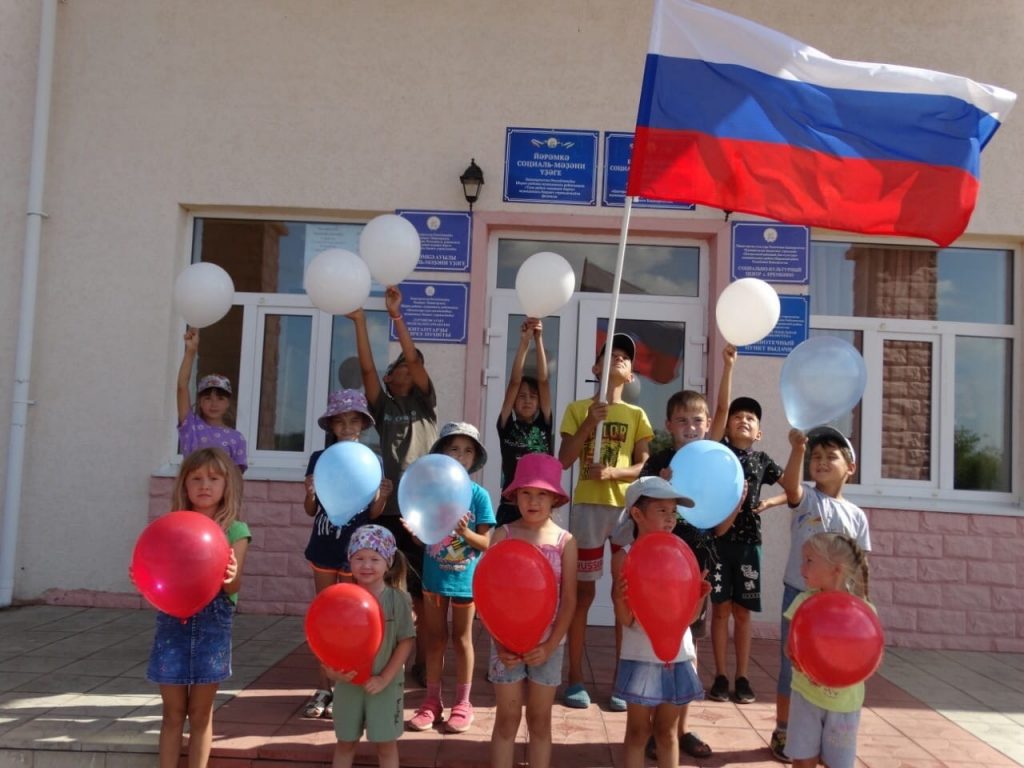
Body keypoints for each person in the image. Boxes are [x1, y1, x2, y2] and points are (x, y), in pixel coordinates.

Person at [347, 285, 438, 681]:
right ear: (389, 376)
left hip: (421, 512)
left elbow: (415, 358)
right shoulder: (383, 407)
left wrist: (397, 317)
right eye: (401, 366)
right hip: (387, 510)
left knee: (422, 593)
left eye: (412, 367)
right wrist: (360, 321)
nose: (409, 369)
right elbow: (367, 371)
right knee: (385, 589)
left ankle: (423, 663)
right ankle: (382, 656)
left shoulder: (424, 405)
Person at [558, 332, 653, 710]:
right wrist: (588, 425)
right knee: (583, 595)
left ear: (630, 375)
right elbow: (564, 459)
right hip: (588, 510)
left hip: (625, 512)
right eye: (610, 354)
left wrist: (614, 473)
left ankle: (622, 682)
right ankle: (575, 678)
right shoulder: (579, 408)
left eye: (625, 357)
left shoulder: (637, 415)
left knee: (623, 596)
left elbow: (643, 465)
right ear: (596, 368)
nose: (618, 358)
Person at [142, 447, 250, 768]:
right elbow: (157, 574)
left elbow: (233, 588)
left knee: (201, 713)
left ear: (226, 485)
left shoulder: (236, 530)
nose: (205, 485)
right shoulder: (171, 526)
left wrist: (230, 575)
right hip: (172, 627)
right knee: (173, 713)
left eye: (214, 479)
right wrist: (144, 575)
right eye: (197, 479)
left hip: (212, 629)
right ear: (184, 486)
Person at [636, 389, 727, 760]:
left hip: (697, 567)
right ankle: (652, 729)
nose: (690, 427)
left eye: (697, 420)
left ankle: (678, 727)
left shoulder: (714, 462)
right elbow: (637, 504)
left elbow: (719, 514)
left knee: (688, 647)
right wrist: (659, 484)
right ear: (669, 425)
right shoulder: (659, 462)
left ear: (708, 425)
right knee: (654, 645)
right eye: (682, 420)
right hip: (659, 569)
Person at [771, 426, 871, 763]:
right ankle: (784, 729)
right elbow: (790, 487)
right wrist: (797, 450)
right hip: (800, 597)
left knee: (830, 663)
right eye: (816, 456)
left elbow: (860, 565)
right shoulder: (808, 500)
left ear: (850, 467)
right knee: (791, 666)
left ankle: (826, 727)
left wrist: (861, 607)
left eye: (831, 456)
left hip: (839, 610)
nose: (821, 461)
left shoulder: (857, 516)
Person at [301, 389, 390, 720]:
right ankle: (323, 687)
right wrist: (310, 492)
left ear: (363, 425)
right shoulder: (319, 458)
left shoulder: (372, 460)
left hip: (358, 553)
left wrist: (382, 496)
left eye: (354, 420)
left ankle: (349, 689)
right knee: (324, 618)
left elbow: (374, 513)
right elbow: (310, 509)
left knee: (356, 619)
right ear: (331, 425)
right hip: (324, 545)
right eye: (340, 421)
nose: (348, 427)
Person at [612, 476, 711, 768]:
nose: (670, 518)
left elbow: (688, 619)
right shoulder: (625, 557)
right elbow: (626, 619)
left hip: (677, 656)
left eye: (673, 512)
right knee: (637, 732)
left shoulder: (682, 555)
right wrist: (618, 597)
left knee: (667, 732)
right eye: (662, 510)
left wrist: (699, 597)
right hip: (639, 656)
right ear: (637, 513)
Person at [707, 345, 785, 706]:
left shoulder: (763, 460)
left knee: (742, 612)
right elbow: (721, 407)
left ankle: (742, 677)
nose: (743, 420)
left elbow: (794, 490)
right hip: (719, 541)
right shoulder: (720, 453)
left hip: (749, 544)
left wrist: (770, 502)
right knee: (720, 610)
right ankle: (721, 676)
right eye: (738, 416)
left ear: (759, 432)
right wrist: (728, 367)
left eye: (751, 418)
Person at [489, 453, 578, 768]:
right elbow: (489, 594)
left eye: (542, 493)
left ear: (555, 499)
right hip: (505, 644)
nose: (533, 500)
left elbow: (569, 600)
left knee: (540, 721)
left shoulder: (566, 542)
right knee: (507, 719)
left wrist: (550, 645)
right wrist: (499, 643)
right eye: (526, 492)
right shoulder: (503, 535)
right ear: (515, 495)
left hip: (549, 645)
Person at [407, 422, 495, 733]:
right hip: (434, 581)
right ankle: (432, 702)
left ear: (475, 457)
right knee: (434, 640)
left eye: (468, 450)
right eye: (454, 449)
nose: (460, 455)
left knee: (461, 639)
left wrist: (465, 532)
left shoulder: (479, 496)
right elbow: (424, 541)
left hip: (465, 583)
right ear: (442, 453)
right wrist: (415, 533)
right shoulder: (430, 494)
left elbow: (486, 543)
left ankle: (463, 703)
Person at [327, 525, 416, 768]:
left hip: (386, 686)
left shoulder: (398, 599)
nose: (366, 565)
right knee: (345, 743)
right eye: (359, 558)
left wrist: (384, 678)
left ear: (388, 562)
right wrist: (331, 670)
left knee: (386, 746)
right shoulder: (341, 599)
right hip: (348, 683)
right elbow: (328, 641)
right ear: (350, 561)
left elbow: (406, 641)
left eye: (375, 559)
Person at [785, 532, 873, 768]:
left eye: (809, 561)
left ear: (836, 569)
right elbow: (790, 648)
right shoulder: (803, 603)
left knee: (838, 763)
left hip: (844, 704)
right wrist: (801, 662)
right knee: (803, 761)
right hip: (806, 697)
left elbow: (868, 657)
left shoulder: (862, 612)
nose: (802, 567)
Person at [495, 317, 553, 526]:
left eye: (532, 396)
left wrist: (539, 340)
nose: (527, 400)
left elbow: (543, 381)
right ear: (513, 403)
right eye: (521, 396)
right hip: (510, 506)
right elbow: (514, 382)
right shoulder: (506, 426)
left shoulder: (543, 424)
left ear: (538, 403)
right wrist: (524, 342)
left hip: (539, 506)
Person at [176, 328, 247, 472]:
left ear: (228, 403)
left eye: (220, 398)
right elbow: (182, 387)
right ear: (200, 402)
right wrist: (191, 351)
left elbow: (236, 479)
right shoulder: (191, 426)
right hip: (191, 487)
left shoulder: (237, 438)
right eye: (208, 398)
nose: (214, 404)